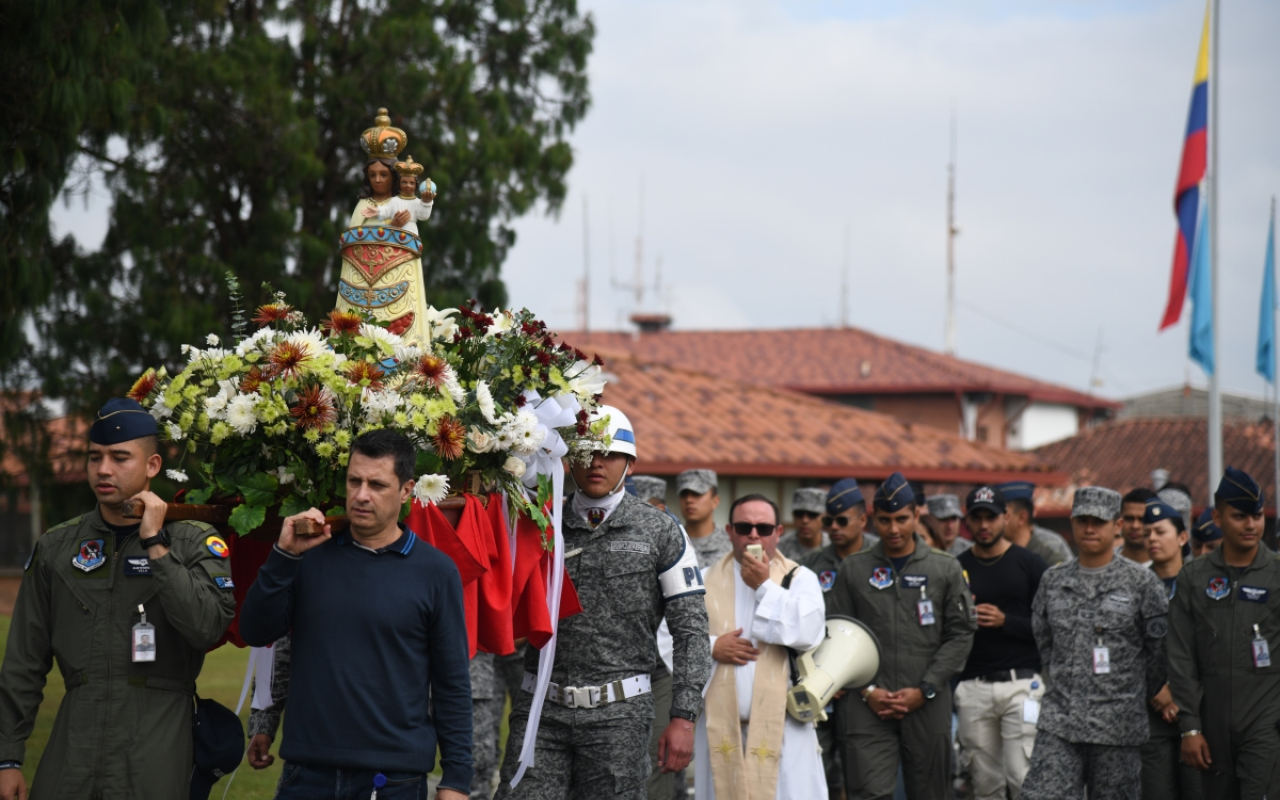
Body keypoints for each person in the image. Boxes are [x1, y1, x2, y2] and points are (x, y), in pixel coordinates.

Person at [0, 398, 237, 800]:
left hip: (157, 745)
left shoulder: (194, 540)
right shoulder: (58, 547)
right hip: (74, 745)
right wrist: (7, 759)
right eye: (95, 458)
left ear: (152, 466)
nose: (103, 469)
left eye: (120, 457)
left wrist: (155, 544)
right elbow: (23, 662)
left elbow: (206, 626)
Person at [240, 429, 473, 799]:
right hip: (307, 773)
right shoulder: (307, 556)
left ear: (406, 490)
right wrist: (283, 557)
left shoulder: (436, 572)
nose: (361, 495)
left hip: (394, 778)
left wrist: (457, 779)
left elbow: (452, 683)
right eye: (354, 481)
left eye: (377, 485)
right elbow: (255, 630)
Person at [495, 407, 712, 799]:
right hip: (541, 710)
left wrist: (684, 715)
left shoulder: (661, 530)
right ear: (568, 458)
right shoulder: (540, 520)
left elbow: (692, 632)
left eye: (610, 454)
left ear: (630, 463)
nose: (597, 463)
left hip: (620, 717)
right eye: (586, 453)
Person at [829, 472, 976, 799]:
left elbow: (961, 634)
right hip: (867, 705)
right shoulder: (854, 569)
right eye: (884, 520)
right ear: (872, 519)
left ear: (917, 515)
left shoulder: (945, 568)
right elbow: (836, 634)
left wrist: (925, 689)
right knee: (868, 792)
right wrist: (868, 691)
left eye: (901, 519)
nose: (893, 529)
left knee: (930, 793)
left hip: (927, 701)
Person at [1021, 487, 1168, 800]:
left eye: (1098, 521)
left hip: (1117, 728)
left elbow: (1158, 655)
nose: (1089, 528)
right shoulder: (1053, 580)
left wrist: (1127, 696)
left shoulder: (1142, 584)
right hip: (1060, 723)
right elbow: (1044, 642)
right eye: (1083, 520)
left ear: (1116, 526)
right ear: (1072, 523)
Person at [694, 494, 827, 799]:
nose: (754, 534)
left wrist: (764, 587)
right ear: (729, 531)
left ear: (778, 532)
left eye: (763, 528)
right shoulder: (703, 581)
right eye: (744, 527)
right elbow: (670, 638)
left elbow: (809, 633)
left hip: (785, 730)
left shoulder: (799, 578)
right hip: (720, 728)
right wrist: (712, 647)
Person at [1168, 466, 1280, 799]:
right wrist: (1190, 726)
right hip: (1210, 721)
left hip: (1266, 718)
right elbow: (1180, 655)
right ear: (1217, 517)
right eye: (1240, 516)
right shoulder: (1193, 577)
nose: (1251, 525)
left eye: (1257, 516)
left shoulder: (1277, 574)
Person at [954, 486, 1049, 800]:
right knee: (985, 784)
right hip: (974, 685)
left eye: (991, 517)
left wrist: (1006, 621)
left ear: (1006, 517)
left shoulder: (1030, 564)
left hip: (1020, 684)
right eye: (976, 518)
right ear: (966, 521)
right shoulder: (956, 567)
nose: (984, 525)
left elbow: (1051, 626)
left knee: (1024, 777)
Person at [802, 479, 879, 799]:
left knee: (863, 775)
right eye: (828, 521)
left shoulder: (879, 558)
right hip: (818, 683)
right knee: (815, 770)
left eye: (842, 520)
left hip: (866, 685)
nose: (833, 527)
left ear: (862, 520)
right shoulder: (811, 564)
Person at [335, 108, 434, 344]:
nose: (378, 180)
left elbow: (421, 215)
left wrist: (424, 204)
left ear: (394, 175)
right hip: (360, 280)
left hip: (399, 276)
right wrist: (392, 224)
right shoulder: (363, 205)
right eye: (372, 175)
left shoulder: (404, 203)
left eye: (383, 174)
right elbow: (352, 240)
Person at [1138, 499, 1199, 800]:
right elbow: (1128, 648)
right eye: (1147, 533)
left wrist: (1175, 689)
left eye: (1160, 532)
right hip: (1152, 712)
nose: (1152, 539)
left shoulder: (1202, 582)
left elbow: (1213, 646)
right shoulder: (1135, 584)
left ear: (1182, 537)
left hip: (1198, 709)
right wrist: (1157, 693)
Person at [996, 481, 1072, 567]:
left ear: (1022, 517)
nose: (994, 521)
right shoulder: (989, 545)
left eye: (1002, 514)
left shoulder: (1051, 546)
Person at [364, 155, 435, 230]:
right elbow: (387, 210)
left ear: (416, 186)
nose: (408, 186)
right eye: (404, 183)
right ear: (399, 184)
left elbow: (423, 216)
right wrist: (377, 211)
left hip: (411, 232)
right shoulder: (394, 200)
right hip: (396, 234)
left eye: (411, 183)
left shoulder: (417, 202)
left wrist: (426, 203)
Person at [679, 469, 731, 569]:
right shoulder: (671, 544)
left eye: (696, 494)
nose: (688, 500)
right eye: (683, 494)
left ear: (715, 501)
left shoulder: (731, 545)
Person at [777, 487, 829, 561]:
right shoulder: (780, 548)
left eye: (812, 514)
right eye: (799, 514)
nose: (805, 520)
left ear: (824, 517)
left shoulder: (833, 546)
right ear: (793, 516)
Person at [1117, 488, 1158, 565]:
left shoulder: (1169, 568)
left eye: (1142, 520)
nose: (1135, 526)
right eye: (1129, 519)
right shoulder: (1101, 563)